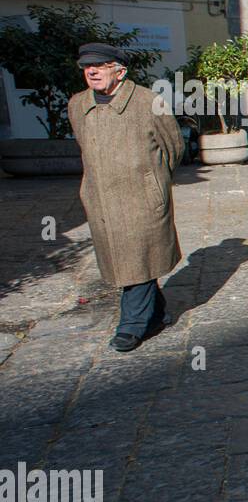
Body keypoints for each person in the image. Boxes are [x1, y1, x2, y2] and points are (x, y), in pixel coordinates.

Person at [67, 43, 183, 353]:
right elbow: (84, 146)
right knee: (131, 259)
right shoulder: (77, 104)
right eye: (87, 66)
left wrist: (152, 180)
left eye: (101, 65)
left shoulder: (148, 101)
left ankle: (131, 325)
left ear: (121, 70)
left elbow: (173, 147)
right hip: (101, 198)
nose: (92, 71)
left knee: (136, 257)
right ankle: (155, 314)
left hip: (141, 198)